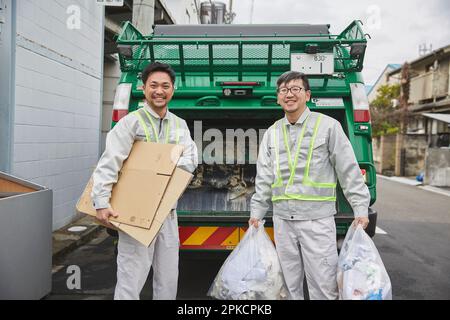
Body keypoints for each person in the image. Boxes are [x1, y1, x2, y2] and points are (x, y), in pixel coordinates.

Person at [248, 71, 370, 300]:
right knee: (287, 286)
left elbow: (348, 170)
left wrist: (360, 208)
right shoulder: (272, 133)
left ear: (307, 95)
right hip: (283, 221)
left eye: (295, 89)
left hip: (317, 222)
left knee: (323, 287)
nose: (289, 94)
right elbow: (264, 177)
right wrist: (257, 212)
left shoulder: (328, 127)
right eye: (284, 90)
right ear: (278, 98)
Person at [91, 62, 198, 300]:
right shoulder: (131, 122)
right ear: (143, 88)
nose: (159, 91)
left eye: (165, 86)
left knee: (168, 276)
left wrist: (170, 176)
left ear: (173, 89)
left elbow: (191, 157)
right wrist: (101, 201)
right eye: (154, 85)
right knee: (132, 275)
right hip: (136, 212)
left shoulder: (179, 125)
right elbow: (110, 161)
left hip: (167, 213)